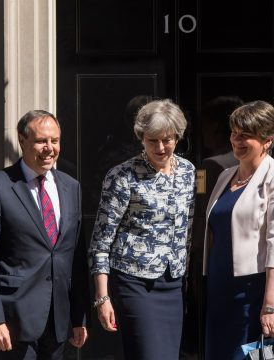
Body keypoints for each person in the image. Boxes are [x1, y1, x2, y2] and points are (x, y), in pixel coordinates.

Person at [0, 110, 89, 359]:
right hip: (13, 320)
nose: (49, 148)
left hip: (58, 320)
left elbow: (76, 256)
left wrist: (79, 317)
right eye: (41, 141)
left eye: (54, 141)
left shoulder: (71, 187)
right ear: (22, 141)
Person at [88, 99, 196, 359]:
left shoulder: (189, 172)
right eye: (152, 140)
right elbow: (101, 241)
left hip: (173, 283)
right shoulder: (122, 176)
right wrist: (102, 298)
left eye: (167, 140)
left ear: (178, 137)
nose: (160, 147)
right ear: (141, 138)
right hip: (134, 283)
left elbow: (189, 230)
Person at [203, 100, 274, 360]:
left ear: (267, 140)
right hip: (220, 288)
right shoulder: (225, 176)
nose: (237, 140)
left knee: (252, 356)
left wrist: (270, 306)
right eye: (234, 132)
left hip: (254, 292)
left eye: (246, 135)